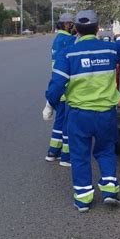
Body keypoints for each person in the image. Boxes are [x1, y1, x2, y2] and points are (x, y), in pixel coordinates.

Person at [43, 10, 120, 212]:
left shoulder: (69, 53)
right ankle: (109, 190)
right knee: (105, 150)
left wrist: (49, 105)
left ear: (76, 29)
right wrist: (118, 34)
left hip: (79, 115)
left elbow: (57, 85)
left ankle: (83, 199)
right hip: (106, 114)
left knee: (80, 155)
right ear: (97, 27)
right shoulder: (110, 49)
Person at [45, 13, 76, 166]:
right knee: (68, 125)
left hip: (57, 86)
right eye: (72, 24)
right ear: (66, 25)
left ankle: (52, 152)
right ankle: (66, 156)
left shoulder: (57, 40)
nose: (74, 27)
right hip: (66, 88)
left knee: (59, 122)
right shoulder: (69, 40)